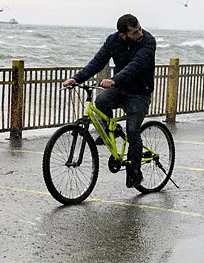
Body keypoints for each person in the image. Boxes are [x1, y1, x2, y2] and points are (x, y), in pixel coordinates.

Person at [63, 13, 156, 188]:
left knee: (133, 130)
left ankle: (135, 171)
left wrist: (115, 80)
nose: (140, 33)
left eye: (140, 29)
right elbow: (97, 62)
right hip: (120, 89)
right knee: (101, 102)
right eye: (135, 32)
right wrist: (76, 79)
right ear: (123, 35)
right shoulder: (113, 40)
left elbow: (135, 66)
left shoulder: (148, 42)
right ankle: (109, 131)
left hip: (139, 93)